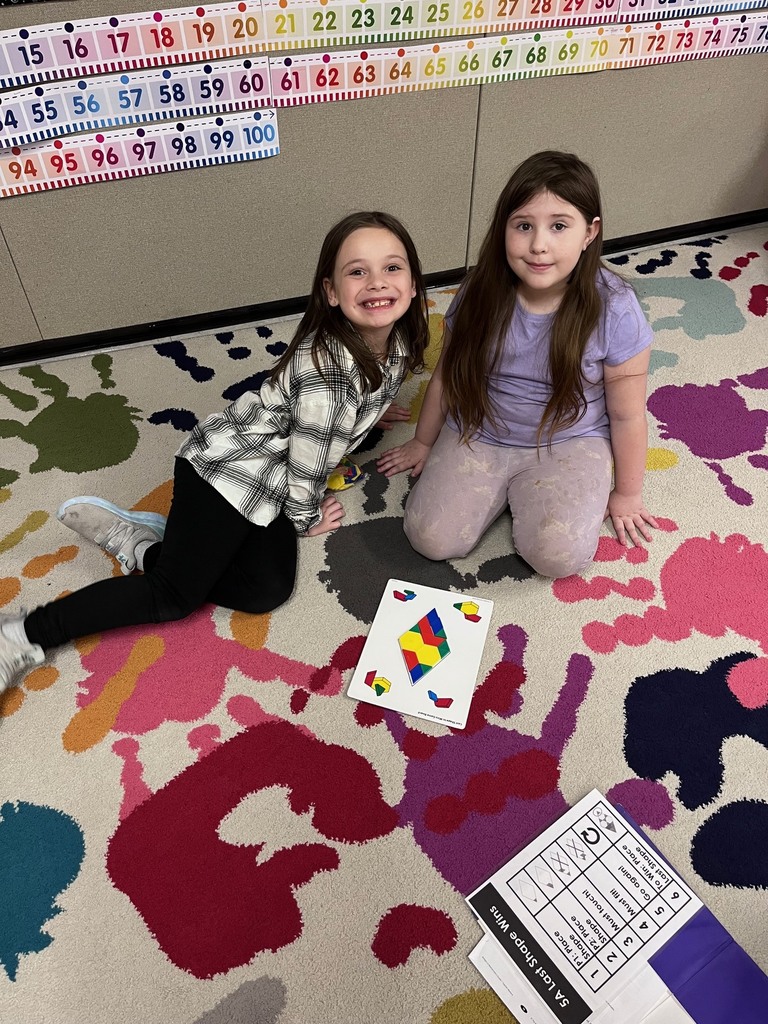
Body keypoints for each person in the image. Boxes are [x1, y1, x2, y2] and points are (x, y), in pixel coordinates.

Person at [0, 211, 429, 690]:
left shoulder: (397, 339)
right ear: (331, 292)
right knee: (171, 597)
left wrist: (368, 412)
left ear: (413, 283)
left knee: (265, 590)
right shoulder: (327, 377)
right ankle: (22, 635)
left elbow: (348, 404)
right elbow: (310, 463)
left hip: (269, 481)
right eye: (357, 271)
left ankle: (155, 547)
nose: (377, 282)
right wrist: (306, 518)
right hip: (223, 470)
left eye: (392, 268)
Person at [378, 150, 658, 578]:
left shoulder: (616, 308)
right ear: (503, 229)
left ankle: (530, 494)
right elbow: (449, 375)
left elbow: (627, 414)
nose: (539, 245)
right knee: (429, 537)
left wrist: (628, 493)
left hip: (570, 439)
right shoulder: (480, 290)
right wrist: (423, 440)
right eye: (523, 226)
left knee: (558, 558)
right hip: (481, 428)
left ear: (590, 232)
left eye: (559, 226)